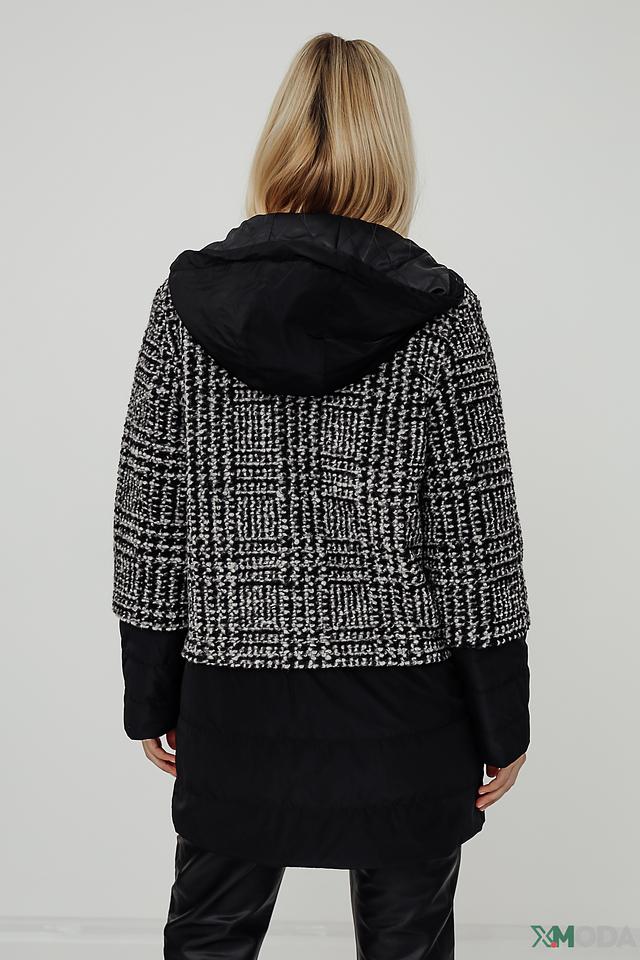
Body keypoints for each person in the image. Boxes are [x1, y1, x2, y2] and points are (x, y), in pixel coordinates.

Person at [112, 32, 531, 960]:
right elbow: (477, 543)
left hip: (235, 699)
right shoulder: (442, 313)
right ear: (392, 149)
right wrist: (503, 718)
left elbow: (149, 517)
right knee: (408, 944)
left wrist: (152, 689)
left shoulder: (185, 305)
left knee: (209, 938)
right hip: (406, 708)